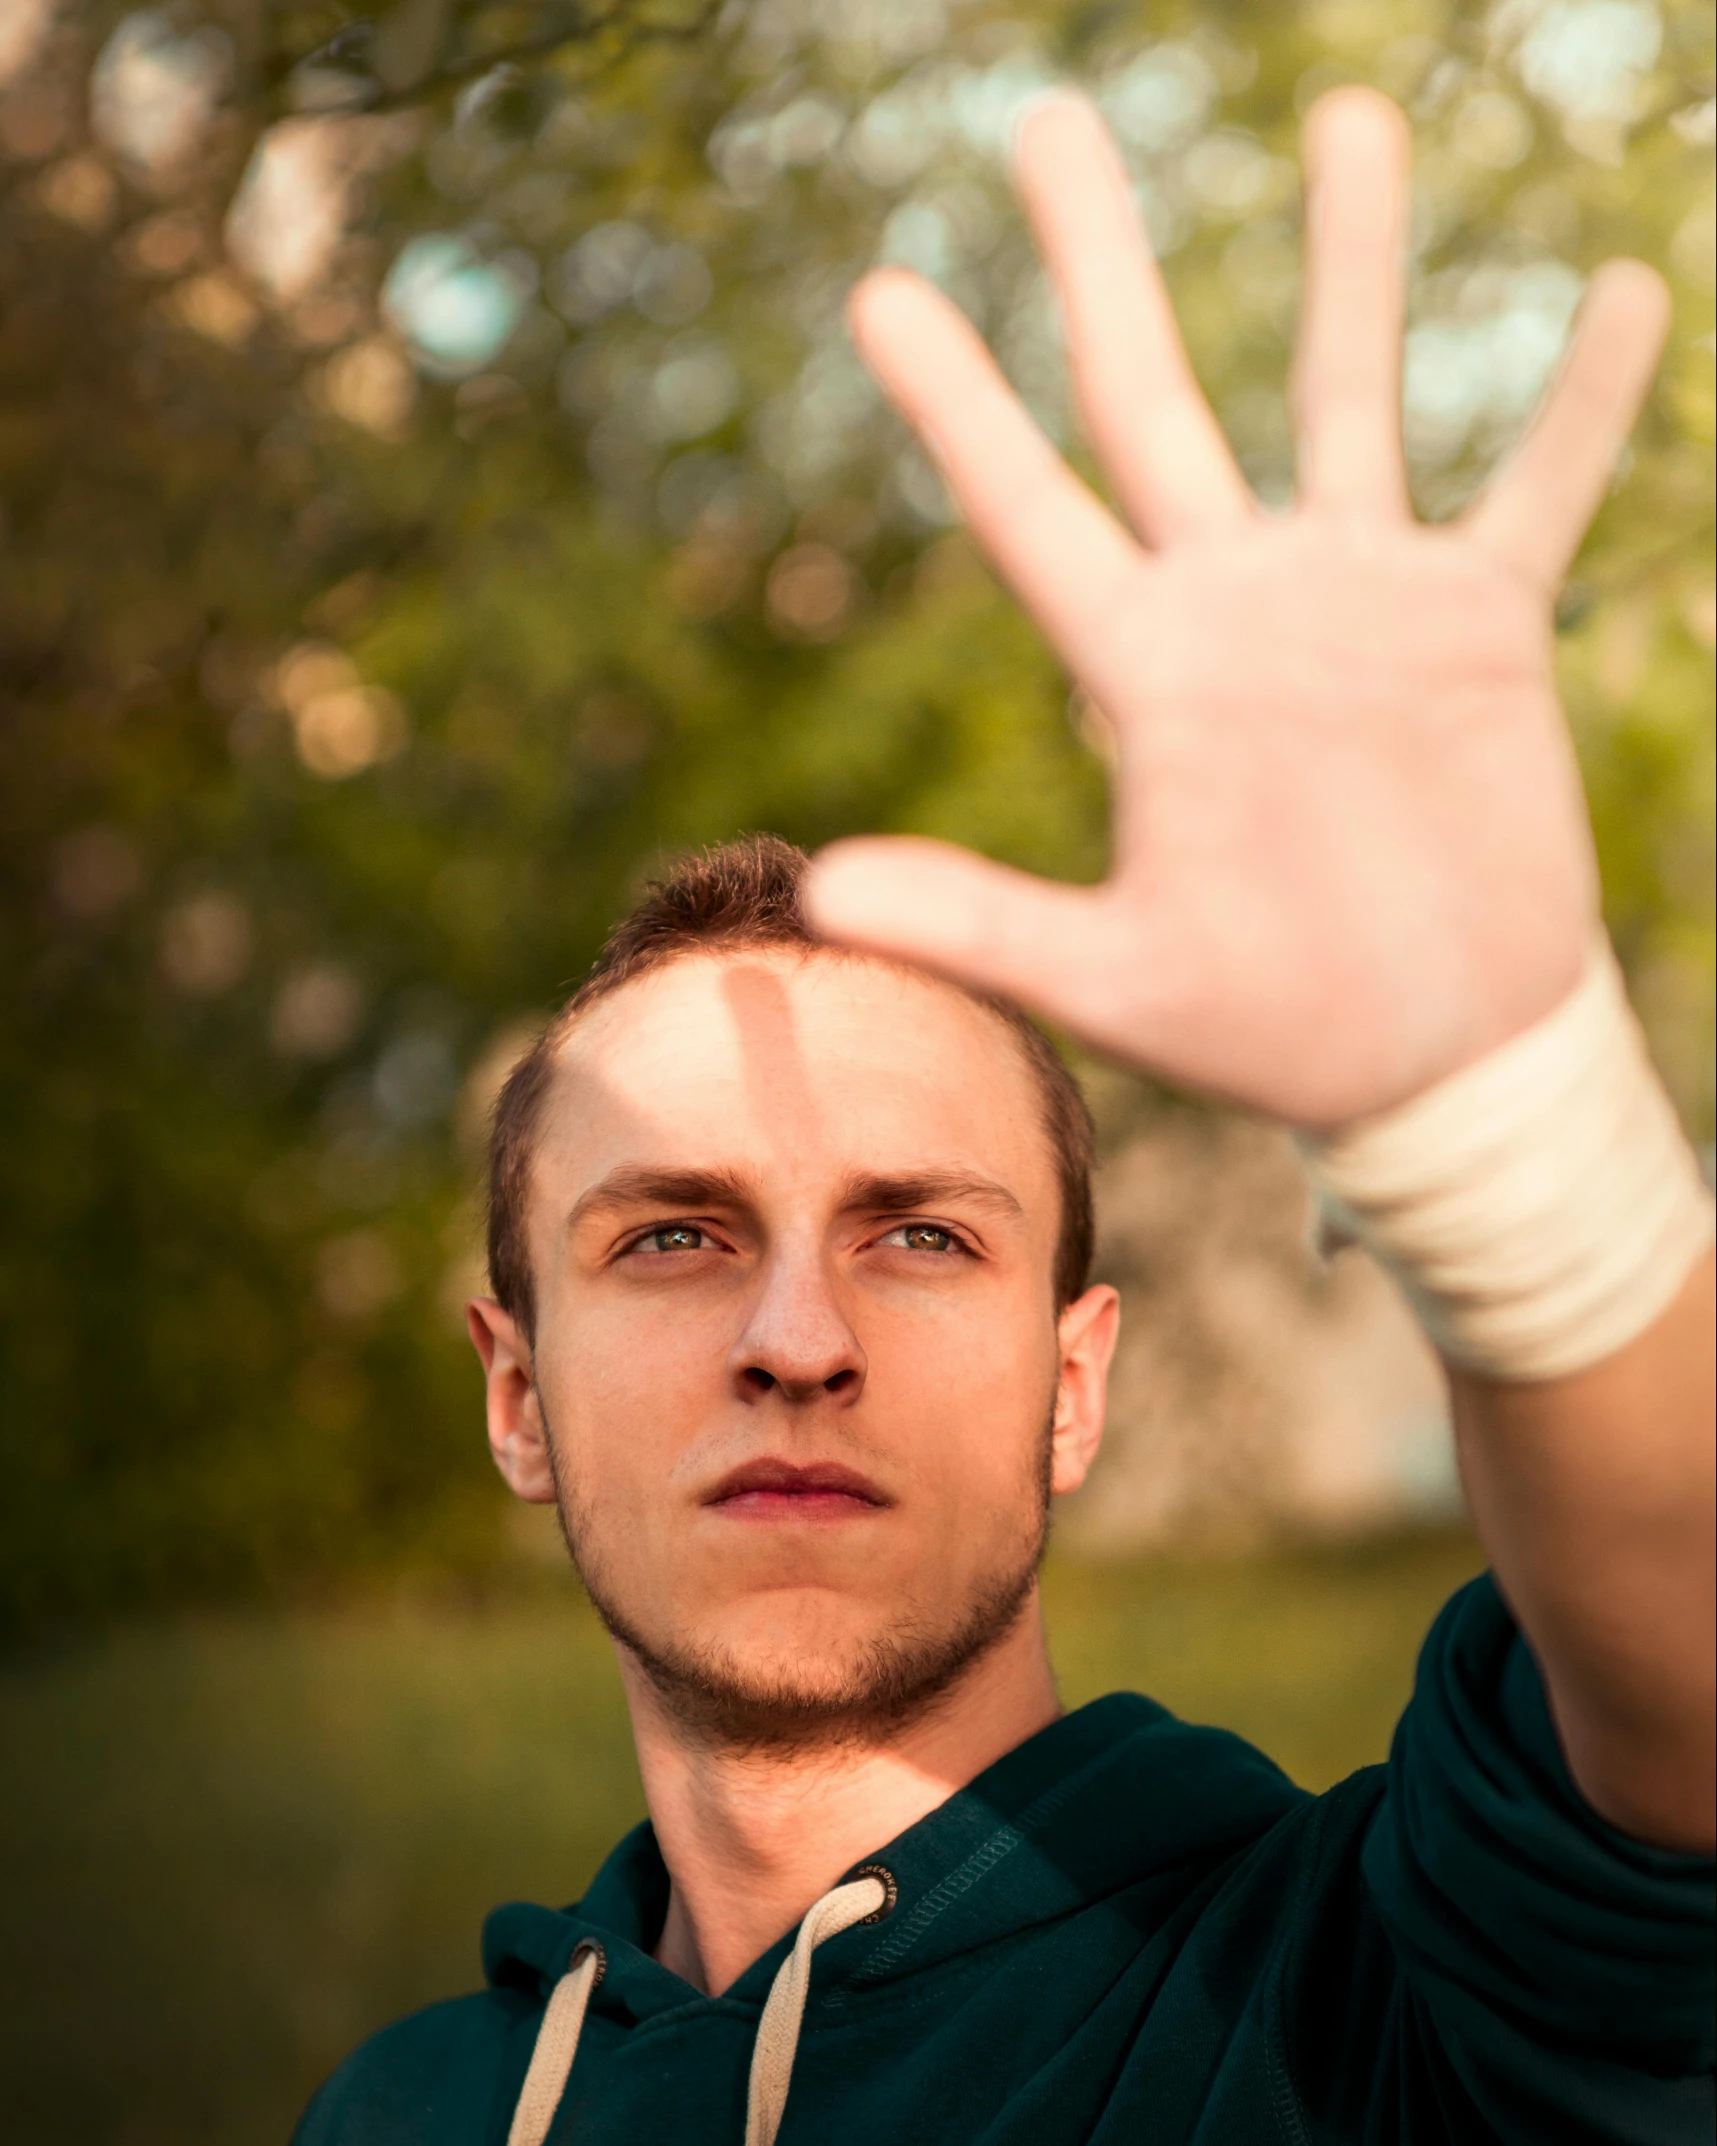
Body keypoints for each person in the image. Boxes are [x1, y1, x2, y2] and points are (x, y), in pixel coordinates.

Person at [292, 87, 1715, 2146]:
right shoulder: (408, 2106)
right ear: (514, 1392)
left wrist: (1510, 1134)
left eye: (920, 1231)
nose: (799, 1335)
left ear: (1077, 1378)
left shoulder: (1372, 2004)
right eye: (674, 1234)